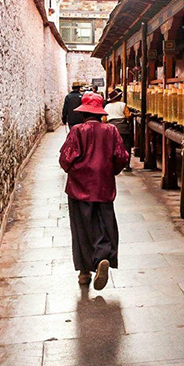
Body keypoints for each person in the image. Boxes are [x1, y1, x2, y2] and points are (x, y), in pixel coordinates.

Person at [59, 92, 130, 289]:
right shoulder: (111, 131)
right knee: (104, 224)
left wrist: (75, 171)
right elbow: (121, 157)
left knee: (81, 228)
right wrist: (109, 172)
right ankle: (102, 258)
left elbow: (65, 159)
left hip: (79, 188)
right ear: (100, 113)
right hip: (103, 187)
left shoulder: (77, 131)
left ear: (83, 113)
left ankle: (84, 272)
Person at [104, 87, 134, 173]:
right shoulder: (123, 105)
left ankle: (112, 164)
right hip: (123, 128)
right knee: (126, 146)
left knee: (112, 147)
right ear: (118, 97)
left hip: (111, 129)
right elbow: (127, 116)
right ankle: (126, 165)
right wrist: (131, 116)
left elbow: (104, 119)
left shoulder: (107, 107)